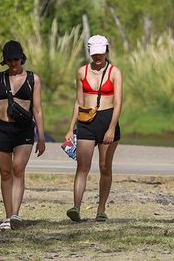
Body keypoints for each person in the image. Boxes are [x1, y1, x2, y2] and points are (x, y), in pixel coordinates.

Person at [0, 40, 46, 230]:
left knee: (18, 168)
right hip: (1, 130)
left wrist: (41, 137)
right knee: (5, 173)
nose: (13, 63)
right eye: (9, 60)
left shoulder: (33, 79)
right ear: (5, 60)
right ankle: (8, 216)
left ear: (22, 58)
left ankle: (15, 214)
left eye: (16, 59)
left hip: (24, 130)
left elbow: (38, 110)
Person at [64, 34, 123, 222]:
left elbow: (118, 102)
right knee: (83, 165)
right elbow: (78, 101)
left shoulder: (114, 72)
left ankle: (101, 209)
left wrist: (111, 127)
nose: (98, 56)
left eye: (101, 53)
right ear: (90, 52)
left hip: (107, 119)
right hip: (86, 120)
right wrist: (70, 128)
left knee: (105, 166)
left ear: (107, 51)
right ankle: (76, 207)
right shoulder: (82, 72)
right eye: (94, 53)